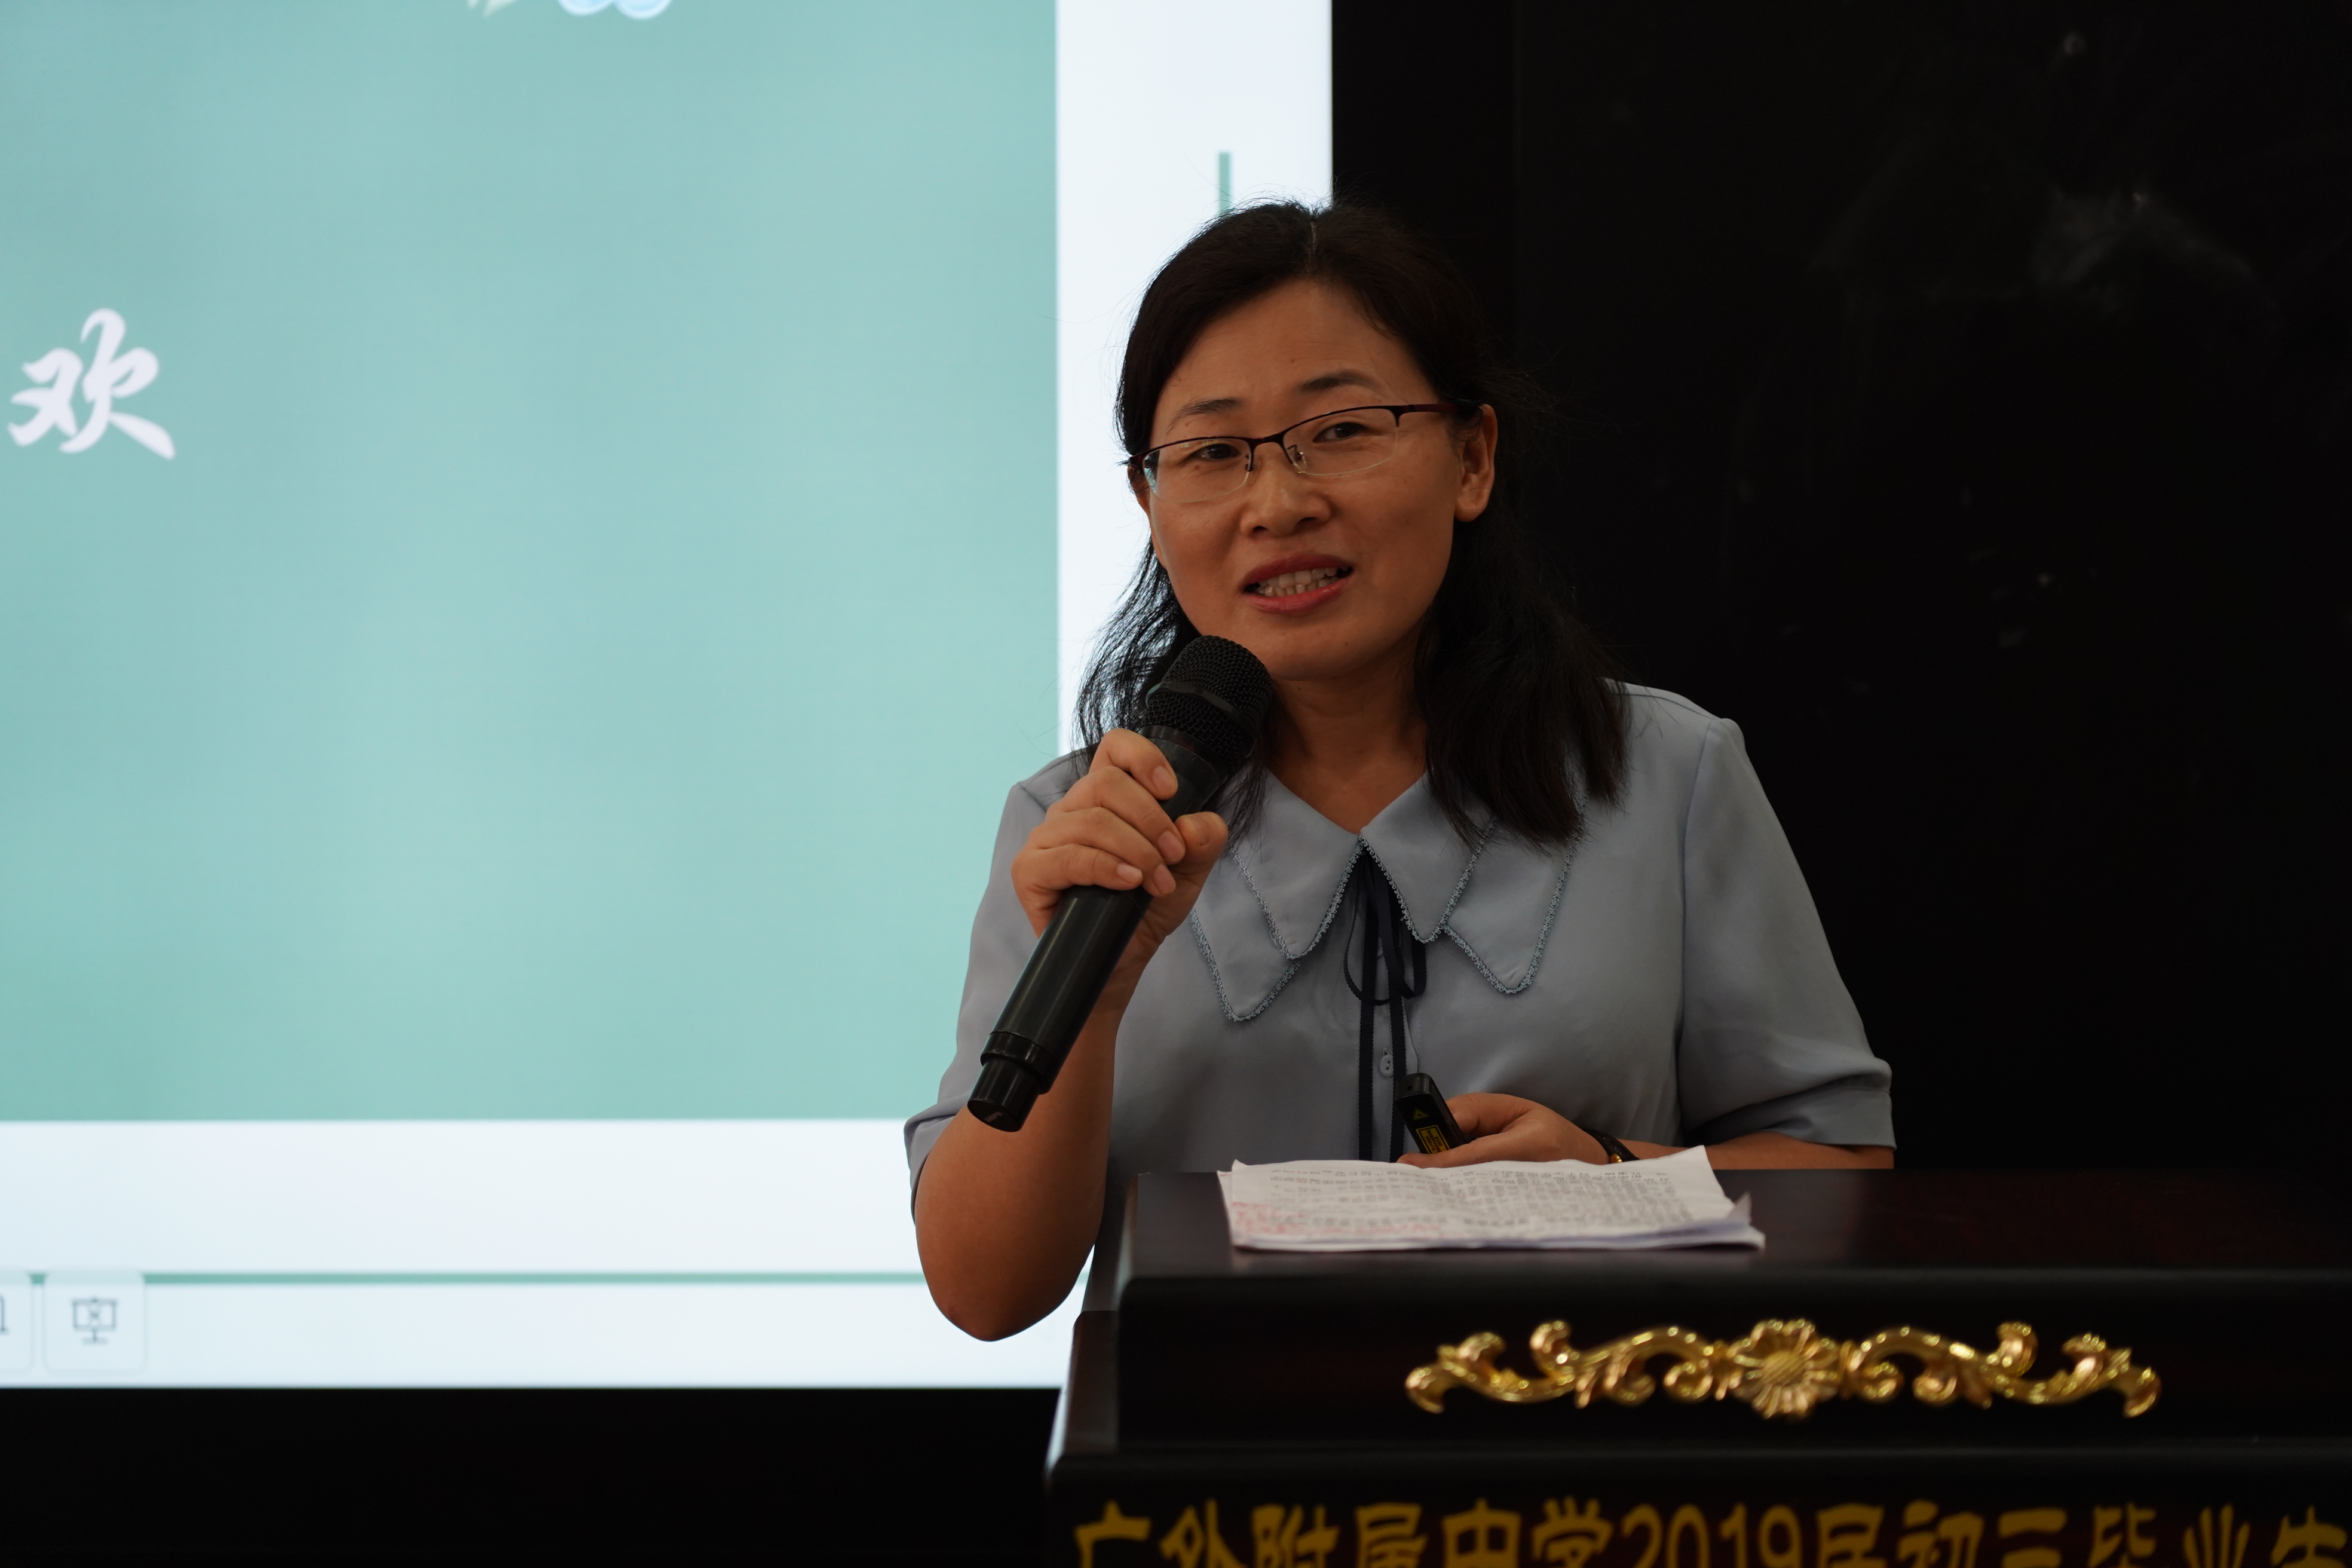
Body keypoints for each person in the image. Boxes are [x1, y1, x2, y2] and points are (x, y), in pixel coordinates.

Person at [906, 202, 1894, 1341]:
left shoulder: (1668, 775)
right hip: (1220, 1444)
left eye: (1340, 431)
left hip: (1578, 1430)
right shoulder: (1085, 826)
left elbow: (1844, 1172)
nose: (1280, 504)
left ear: (1472, 459)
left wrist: (1615, 1179)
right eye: (1214, 454)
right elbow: (985, 1292)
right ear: (1151, 503)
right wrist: (1099, 999)